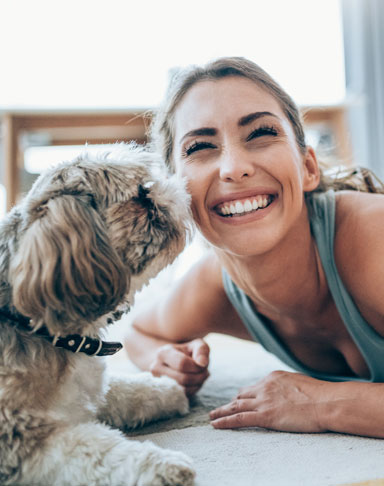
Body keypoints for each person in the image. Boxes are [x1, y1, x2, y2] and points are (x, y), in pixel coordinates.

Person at [124, 57, 384, 438]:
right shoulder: (217, 286)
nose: (233, 167)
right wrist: (164, 362)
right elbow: (141, 333)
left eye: (261, 133)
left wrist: (322, 403)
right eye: (199, 147)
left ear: (308, 167)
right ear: (174, 194)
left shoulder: (371, 237)